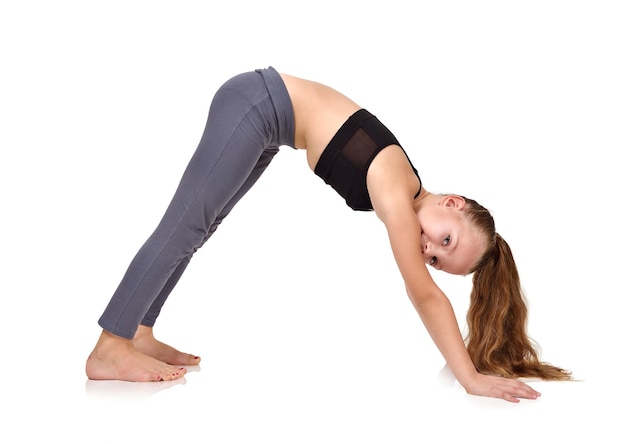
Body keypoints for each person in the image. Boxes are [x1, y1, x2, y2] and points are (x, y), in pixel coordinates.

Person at [85, 66, 571, 402]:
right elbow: (423, 295)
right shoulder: (399, 193)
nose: (428, 250)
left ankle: (139, 331)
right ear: (454, 203)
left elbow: (426, 283)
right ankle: (110, 345)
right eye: (446, 240)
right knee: (185, 224)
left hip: (266, 119)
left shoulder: (409, 190)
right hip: (256, 103)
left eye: (438, 260)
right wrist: (469, 377)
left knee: (199, 227)